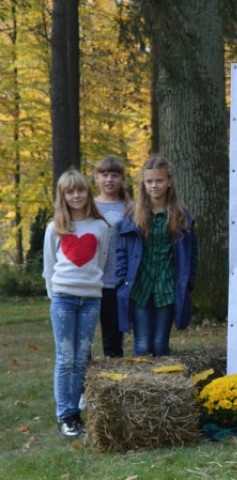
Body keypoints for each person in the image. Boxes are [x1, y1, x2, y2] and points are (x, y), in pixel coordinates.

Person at [42, 168, 109, 438]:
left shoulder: (100, 226)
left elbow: (101, 261)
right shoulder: (54, 228)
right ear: (63, 195)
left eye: (81, 190)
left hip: (91, 300)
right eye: (70, 191)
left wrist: (92, 287)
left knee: (81, 358)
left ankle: (77, 411)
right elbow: (49, 266)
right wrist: (55, 295)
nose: (77, 195)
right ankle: (66, 414)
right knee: (65, 357)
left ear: (88, 192)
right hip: (63, 299)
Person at [116, 155, 198, 356]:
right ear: (143, 184)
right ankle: (141, 386)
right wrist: (120, 281)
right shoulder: (131, 215)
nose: (154, 186)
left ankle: (160, 387)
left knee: (160, 345)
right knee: (143, 344)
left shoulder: (181, 216)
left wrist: (188, 282)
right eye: (149, 181)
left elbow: (192, 252)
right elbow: (121, 252)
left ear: (169, 181)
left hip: (167, 285)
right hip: (140, 285)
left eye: (159, 181)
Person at [94, 156, 128, 357]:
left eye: (114, 175)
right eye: (104, 175)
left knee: (113, 340)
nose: (109, 180)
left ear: (122, 179)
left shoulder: (129, 207)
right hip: (90, 281)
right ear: (96, 179)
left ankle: (114, 384)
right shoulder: (87, 205)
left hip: (115, 282)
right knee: (83, 339)